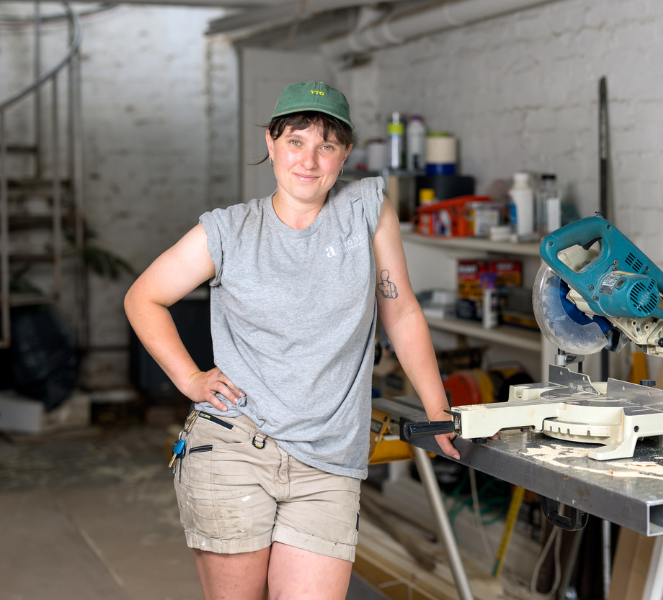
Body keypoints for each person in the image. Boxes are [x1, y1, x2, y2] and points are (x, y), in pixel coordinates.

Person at [124, 81, 459, 600]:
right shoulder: (229, 231)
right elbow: (143, 297)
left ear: (345, 154)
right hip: (235, 448)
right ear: (271, 142)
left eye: (327, 145)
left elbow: (401, 309)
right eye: (296, 141)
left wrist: (437, 406)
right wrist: (189, 378)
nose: (309, 159)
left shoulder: (367, 210)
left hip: (329, 461)